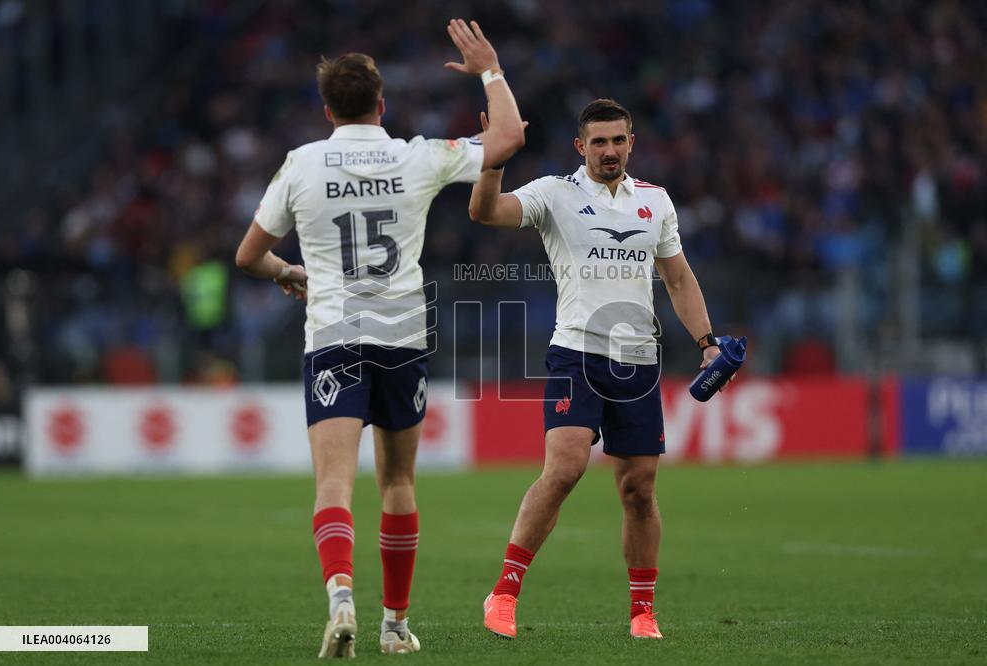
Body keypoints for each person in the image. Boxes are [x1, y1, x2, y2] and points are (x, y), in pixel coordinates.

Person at [235, 19, 525, 658]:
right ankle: (395, 625)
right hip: (401, 337)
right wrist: (490, 69)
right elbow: (507, 139)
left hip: (335, 333)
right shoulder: (415, 153)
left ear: (327, 108)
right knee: (398, 484)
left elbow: (248, 255)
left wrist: (289, 273)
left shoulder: (301, 165)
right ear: (382, 104)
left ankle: (342, 600)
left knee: (333, 486)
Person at [468, 98, 731, 640]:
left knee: (639, 488)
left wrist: (707, 343)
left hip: (638, 358)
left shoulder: (655, 203)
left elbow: (678, 280)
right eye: (599, 141)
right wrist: (492, 161)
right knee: (564, 469)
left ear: (631, 143)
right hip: (576, 352)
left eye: (618, 141)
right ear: (580, 147)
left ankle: (642, 612)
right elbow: (485, 213)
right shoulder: (554, 193)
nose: (609, 150)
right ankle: (505, 594)